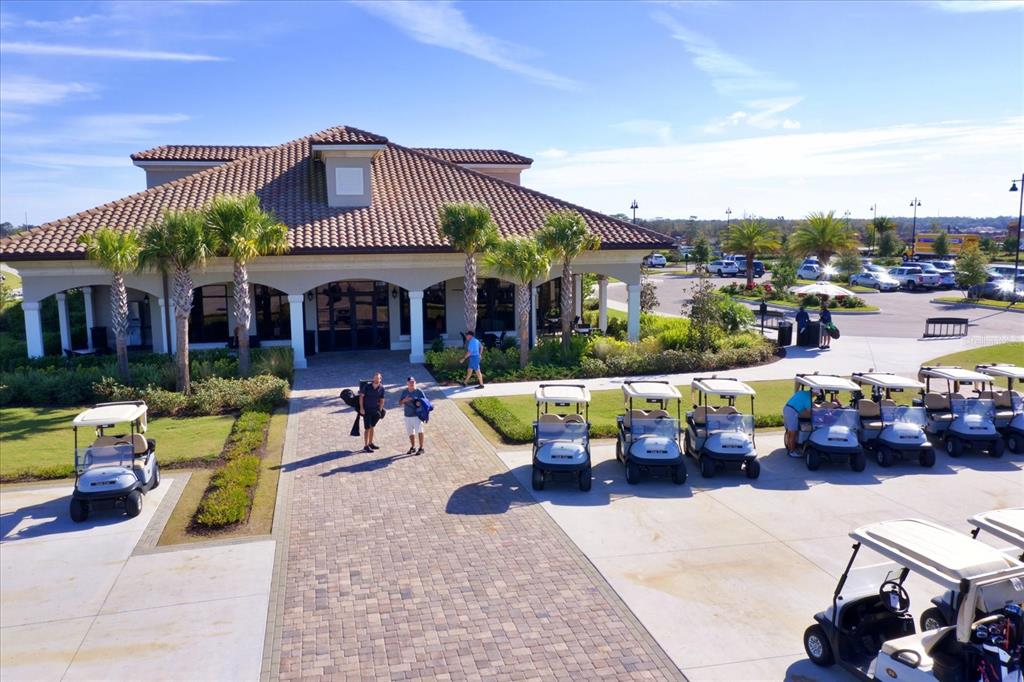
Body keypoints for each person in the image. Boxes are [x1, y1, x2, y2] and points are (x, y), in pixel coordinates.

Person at [399, 376, 427, 455]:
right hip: (407, 415)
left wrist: (420, 403)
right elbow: (400, 403)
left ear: (415, 382)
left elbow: (426, 402)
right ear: (407, 383)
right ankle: (413, 447)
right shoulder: (404, 392)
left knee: (420, 431)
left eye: (413, 382)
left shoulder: (419, 391)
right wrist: (405, 400)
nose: (411, 383)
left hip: (417, 416)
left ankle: (421, 448)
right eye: (410, 382)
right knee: (410, 432)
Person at [358, 372, 385, 453]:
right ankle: (366, 446)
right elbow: (361, 397)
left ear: (380, 379)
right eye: (375, 378)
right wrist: (361, 408)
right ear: (373, 378)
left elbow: (382, 400)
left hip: (375, 410)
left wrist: (380, 410)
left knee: (372, 426)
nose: (376, 379)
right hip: (366, 410)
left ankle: (370, 443)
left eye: (378, 378)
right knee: (367, 428)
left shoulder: (381, 388)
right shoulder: (367, 386)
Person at [783, 387, 814, 457]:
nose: (815, 396)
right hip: (792, 411)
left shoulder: (802, 392)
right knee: (793, 433)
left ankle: (790, 448)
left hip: (787, 408)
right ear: (814, 393)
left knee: (790, 432)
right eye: (816, 394)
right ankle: (792, 452)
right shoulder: (808, 398)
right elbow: (810, 412)